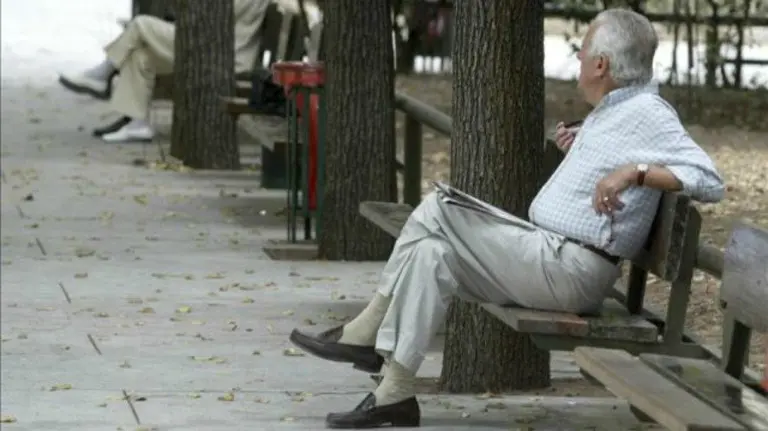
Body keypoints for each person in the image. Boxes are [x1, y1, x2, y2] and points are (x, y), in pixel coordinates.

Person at [289, 8, 726, 429]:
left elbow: (710, 180)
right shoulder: (615, 110)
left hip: (570, 269)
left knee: (441, 207)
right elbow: (617, 157)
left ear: (601, 64)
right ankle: (395, 393)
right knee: (430, 252)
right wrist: (585, 148)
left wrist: (636, 172)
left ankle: (365, 332)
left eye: (583, 48)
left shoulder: (649, 113)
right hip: (550, 257)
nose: (576, 56)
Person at [58, 0, 318, 143]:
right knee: (141, 55)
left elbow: (214, 12)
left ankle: (103, 75)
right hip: (208, 45)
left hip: (224, 55)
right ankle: (137, 123)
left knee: (140, 26)